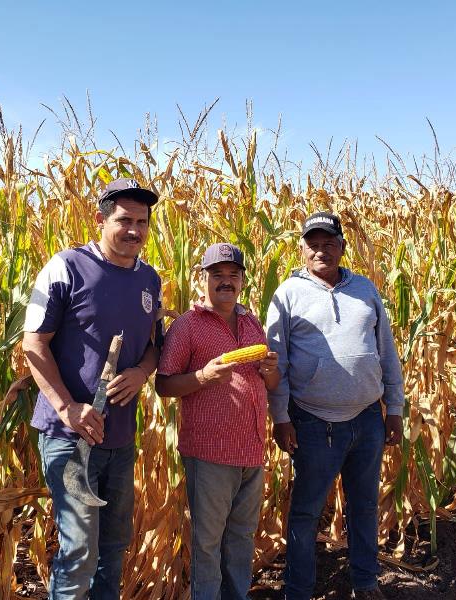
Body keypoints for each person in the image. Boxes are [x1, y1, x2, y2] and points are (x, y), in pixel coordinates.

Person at [22, 178, 163, 600]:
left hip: (120, 438)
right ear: (100, 219)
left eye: (142, 222)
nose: (134, 230)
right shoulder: (65, 266)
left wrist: (141, 372)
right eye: (124, 220)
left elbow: (154, 347)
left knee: (114, 547)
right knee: (79, 549)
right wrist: (68, 409)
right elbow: (33, 343)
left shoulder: (150, 280)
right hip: (70, 437)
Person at [265, 212, 404, 600]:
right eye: (314, 243)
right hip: (313, 423)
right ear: (302, 249)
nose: (321, 250)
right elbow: (277, 361)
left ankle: (365, 582)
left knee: (364, 507)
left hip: (367, 421)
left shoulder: (365, 289)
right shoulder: (287, 294)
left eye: (329, 243)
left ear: (342, 247)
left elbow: (386, 353)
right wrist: (280, 417)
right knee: (306, 513)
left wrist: (394, 408)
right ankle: (298, 590)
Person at [155, 243, 280, 600]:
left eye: (232, 275)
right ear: (204, 279)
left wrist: (270, 372)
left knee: (241, 537)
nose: (226, 282)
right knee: (208, 543)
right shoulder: (187, 326)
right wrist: (204, 377)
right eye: (217, 275)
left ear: (242, 280)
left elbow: (269, 382)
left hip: (251, 449)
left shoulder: (252, 322)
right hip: (209, 451)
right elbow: (164, 384)